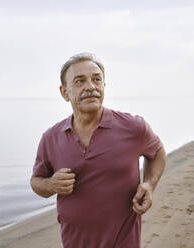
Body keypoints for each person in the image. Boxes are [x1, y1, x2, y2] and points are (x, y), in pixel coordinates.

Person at [30, 53, 166, 248]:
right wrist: (52, 184)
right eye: (80, 81)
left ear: (103, 85)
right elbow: (36, 183)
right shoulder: (50, 138)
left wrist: (149, 185)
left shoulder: (133, 127)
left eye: (96, 79)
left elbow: (158, 151)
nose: (91, 87)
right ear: (64, 92)